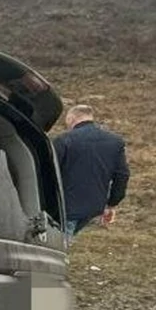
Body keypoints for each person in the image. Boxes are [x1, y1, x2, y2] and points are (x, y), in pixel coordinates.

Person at [53, 104, 130, 243]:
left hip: (64, 207)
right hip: (93, 207)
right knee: (65, 240)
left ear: (71, 118)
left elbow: (49, 171)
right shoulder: (114, 142)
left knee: (59, 246)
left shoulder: (64, 140)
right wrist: (112, 203)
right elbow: (122, 175)